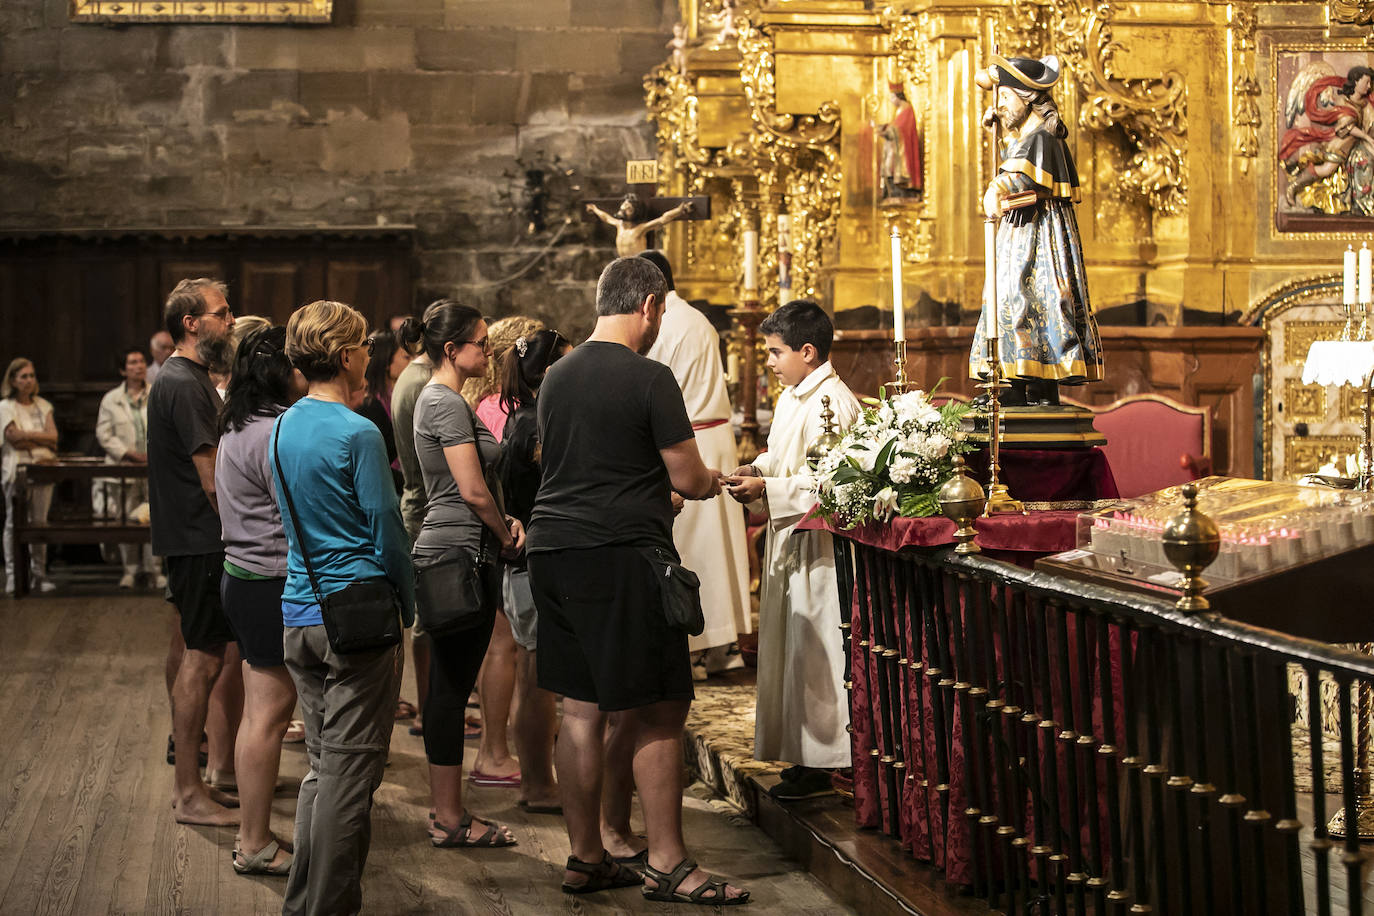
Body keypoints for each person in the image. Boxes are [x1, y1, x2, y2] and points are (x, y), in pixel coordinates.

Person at [528, 256, 748, 903]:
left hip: (552, 550)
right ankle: (670, 864)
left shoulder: (557, 375)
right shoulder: (650, 376)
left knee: (580, 710)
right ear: (649, 305)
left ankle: (585, 856)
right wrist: (713, 482)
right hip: (619, 555)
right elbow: (688, 477)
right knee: (660, 708)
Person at [273, 300, 416, 915]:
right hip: (356, 617)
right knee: (349, 778)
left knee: (323, 769)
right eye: (362, 344)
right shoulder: (358, 431)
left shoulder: (282, 426)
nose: (369, 353)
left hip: (299, 611)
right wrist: (408, 602)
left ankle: (302, 902)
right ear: (344, 356)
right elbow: (386, 527)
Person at [724, 300, 860, 801]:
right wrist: (758, 470)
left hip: (819, 548)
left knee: (814, 652)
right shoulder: (793, 397)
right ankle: (803, 755)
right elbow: (783, 456)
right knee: (792, 651)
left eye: (776, 352)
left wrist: (768, 491)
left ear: (807, 351)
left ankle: (826, 760)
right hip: (790, 540)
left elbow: (835, 484)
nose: (770, 362)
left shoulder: (832, 403)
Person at [401, 300, 525, 849]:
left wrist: (504, 521)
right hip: (459, 552)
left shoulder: (445, 399)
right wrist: (505, 535)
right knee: (450, 690)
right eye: (481, 342)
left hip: (464, 545)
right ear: (452, 350)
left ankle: (449, 812)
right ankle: (449, 817)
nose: (490, 351)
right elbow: (471, 491)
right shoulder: (443, 402)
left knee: (450, 687)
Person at [147, 277, 242, 825]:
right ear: (191, 323)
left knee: (201, 654)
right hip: (201, 537)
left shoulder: (188, 377)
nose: (230, 321)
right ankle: (188, 792)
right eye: (221, 313)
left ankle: (196, 784)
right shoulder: (184, 382)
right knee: (202, 660)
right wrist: (246, 532)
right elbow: (212, 480)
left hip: (196, 537)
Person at [215, 325, 303, 877]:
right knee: (268, 718)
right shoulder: (273, 431)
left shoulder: (238, 423)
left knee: (259, 714)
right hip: (269, 579)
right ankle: (254, 843)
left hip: (244, 577)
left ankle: (253, 836)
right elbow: (297, 513)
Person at [640, 250, 752, 681]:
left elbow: (648, 387)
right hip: (713, 435)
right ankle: (723, 646)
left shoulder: (662, 323)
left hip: (685, 441)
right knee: (718, 547)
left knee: (690, 546)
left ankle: (694, 647)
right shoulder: (699, 319)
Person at [969, 54, 1103, 407]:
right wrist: (1000, 133)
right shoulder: (1033, 137)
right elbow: (1022, 161)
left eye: (1005, 97)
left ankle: (1021, 383)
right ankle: (1033, 383)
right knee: (1025, 299)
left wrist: (996, 188)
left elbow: (1023, 176)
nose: (999, 104)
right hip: (1026, 229)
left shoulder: (1042, 138)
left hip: (1038, 234)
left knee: (1023, 296)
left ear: (1027, 98)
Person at [462, 314, 543, 786]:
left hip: (491, 534)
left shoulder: (482, 404)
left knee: (500, 647)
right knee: (506, 648)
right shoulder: (507, 410)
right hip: (507, 535)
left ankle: (500, 746)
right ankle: (495, 751)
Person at [497, 328, 570, 813]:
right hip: (533, 563)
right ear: (550, 372)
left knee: (532, 672)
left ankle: (537, 780)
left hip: (524, 563)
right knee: (537, 678)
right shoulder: (536, 425)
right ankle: (539, 783)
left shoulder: (522, 417)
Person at [391, 330, 435, 737]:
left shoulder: (413, 375)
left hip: (417, 501)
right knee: (426, 617)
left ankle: (429, 708)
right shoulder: (422, 382)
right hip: (423, 507)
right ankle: (427, 710)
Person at [94, 346, 161, 589]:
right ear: (123, 370)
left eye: (141, 361)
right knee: (127, 520)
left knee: (154, 519)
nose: (138, 366)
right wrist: (128, 453)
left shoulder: (156, 392)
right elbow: (104, 434)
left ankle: (154, 570)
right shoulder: (111, 399)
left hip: (152, 467)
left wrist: (153, 453)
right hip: (123, 467)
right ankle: (130, 571)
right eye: (132, 362)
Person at [1, 358, 58, 595]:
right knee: (14, 522)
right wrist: (40, 437)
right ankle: (14, 574)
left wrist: (28, 436)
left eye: (31, 376)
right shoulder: (5, 407)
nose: (28, 380)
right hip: (17, 469)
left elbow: (53, 437)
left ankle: (39, 574)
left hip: (43, 467)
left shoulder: (43, 405)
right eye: (23, 376)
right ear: (13, 380)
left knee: (39, 523)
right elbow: (13, 438)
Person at [355, 329, 411, 495]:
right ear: (387, 362)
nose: (411, 362)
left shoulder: (395, 395)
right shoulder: (370, 405)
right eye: (405, 357)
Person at [586, 194, 694, 258]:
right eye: (624, 206)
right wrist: (595, 209)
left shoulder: (639, 229)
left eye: (629, 209)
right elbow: (606, 218)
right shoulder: (619, 225)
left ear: (635, 213)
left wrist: (680, 211)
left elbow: (662, 219)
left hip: (638, 265)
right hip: (622, 263)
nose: (624, 209)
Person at [878, 83, 923, 199]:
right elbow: (895, 126)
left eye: (892, 97)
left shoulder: (907, 109)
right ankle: (892, 193)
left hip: (902, 150)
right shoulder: (899, 110)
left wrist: (888, 130)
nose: (891, 100)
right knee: (888, 169)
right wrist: (884, 128)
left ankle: (901, 192)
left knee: (894, 169)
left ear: (898, 96)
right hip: (894, 147)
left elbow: (902, 128)